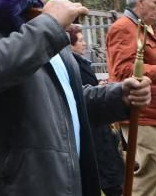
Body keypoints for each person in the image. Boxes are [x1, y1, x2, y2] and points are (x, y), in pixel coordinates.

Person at [0, 0, 152, 196]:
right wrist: (51, 25)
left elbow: (66, 104)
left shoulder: (48, 33)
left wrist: (117, 97)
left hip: (65, 183)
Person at [106, 0, 156, 196]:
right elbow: (122, 72)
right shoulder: (123, 28)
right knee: (152, 177)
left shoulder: (151, 29)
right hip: (142, 115)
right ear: (141, 1)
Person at [68, 24, 124, 196]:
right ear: (70, 44)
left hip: (99, 131)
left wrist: (98, 89)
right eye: (81, 40)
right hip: (95, 132)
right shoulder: (73, 65)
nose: (85, 44)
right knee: (109, 177)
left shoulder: (80, 62)